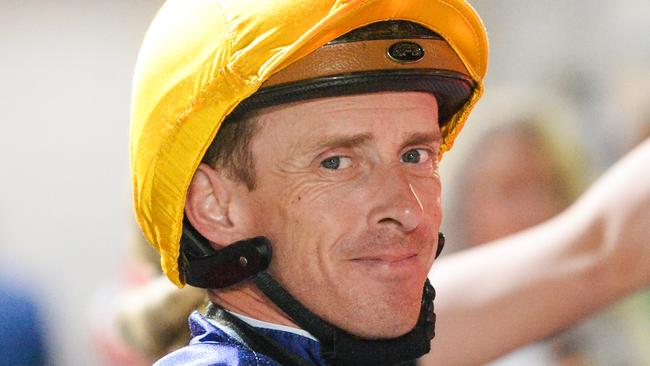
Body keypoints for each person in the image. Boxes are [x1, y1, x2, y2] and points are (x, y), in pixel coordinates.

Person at [129, 1, 650, 365]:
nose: (409, 209)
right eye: (336, 163)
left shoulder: (352, 343)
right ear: (215, 206)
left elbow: (604, 250)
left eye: (415, 154)